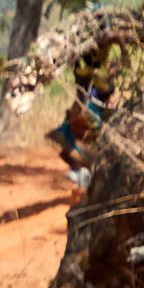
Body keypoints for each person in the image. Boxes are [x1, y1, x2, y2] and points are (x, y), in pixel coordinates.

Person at [54, 52, 113, 188]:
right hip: (84, 116)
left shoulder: (96, 83)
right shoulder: (87, 81)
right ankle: (80, 172)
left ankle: (83, 174)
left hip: (89, 117)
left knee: (80, 152)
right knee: (69, 151)